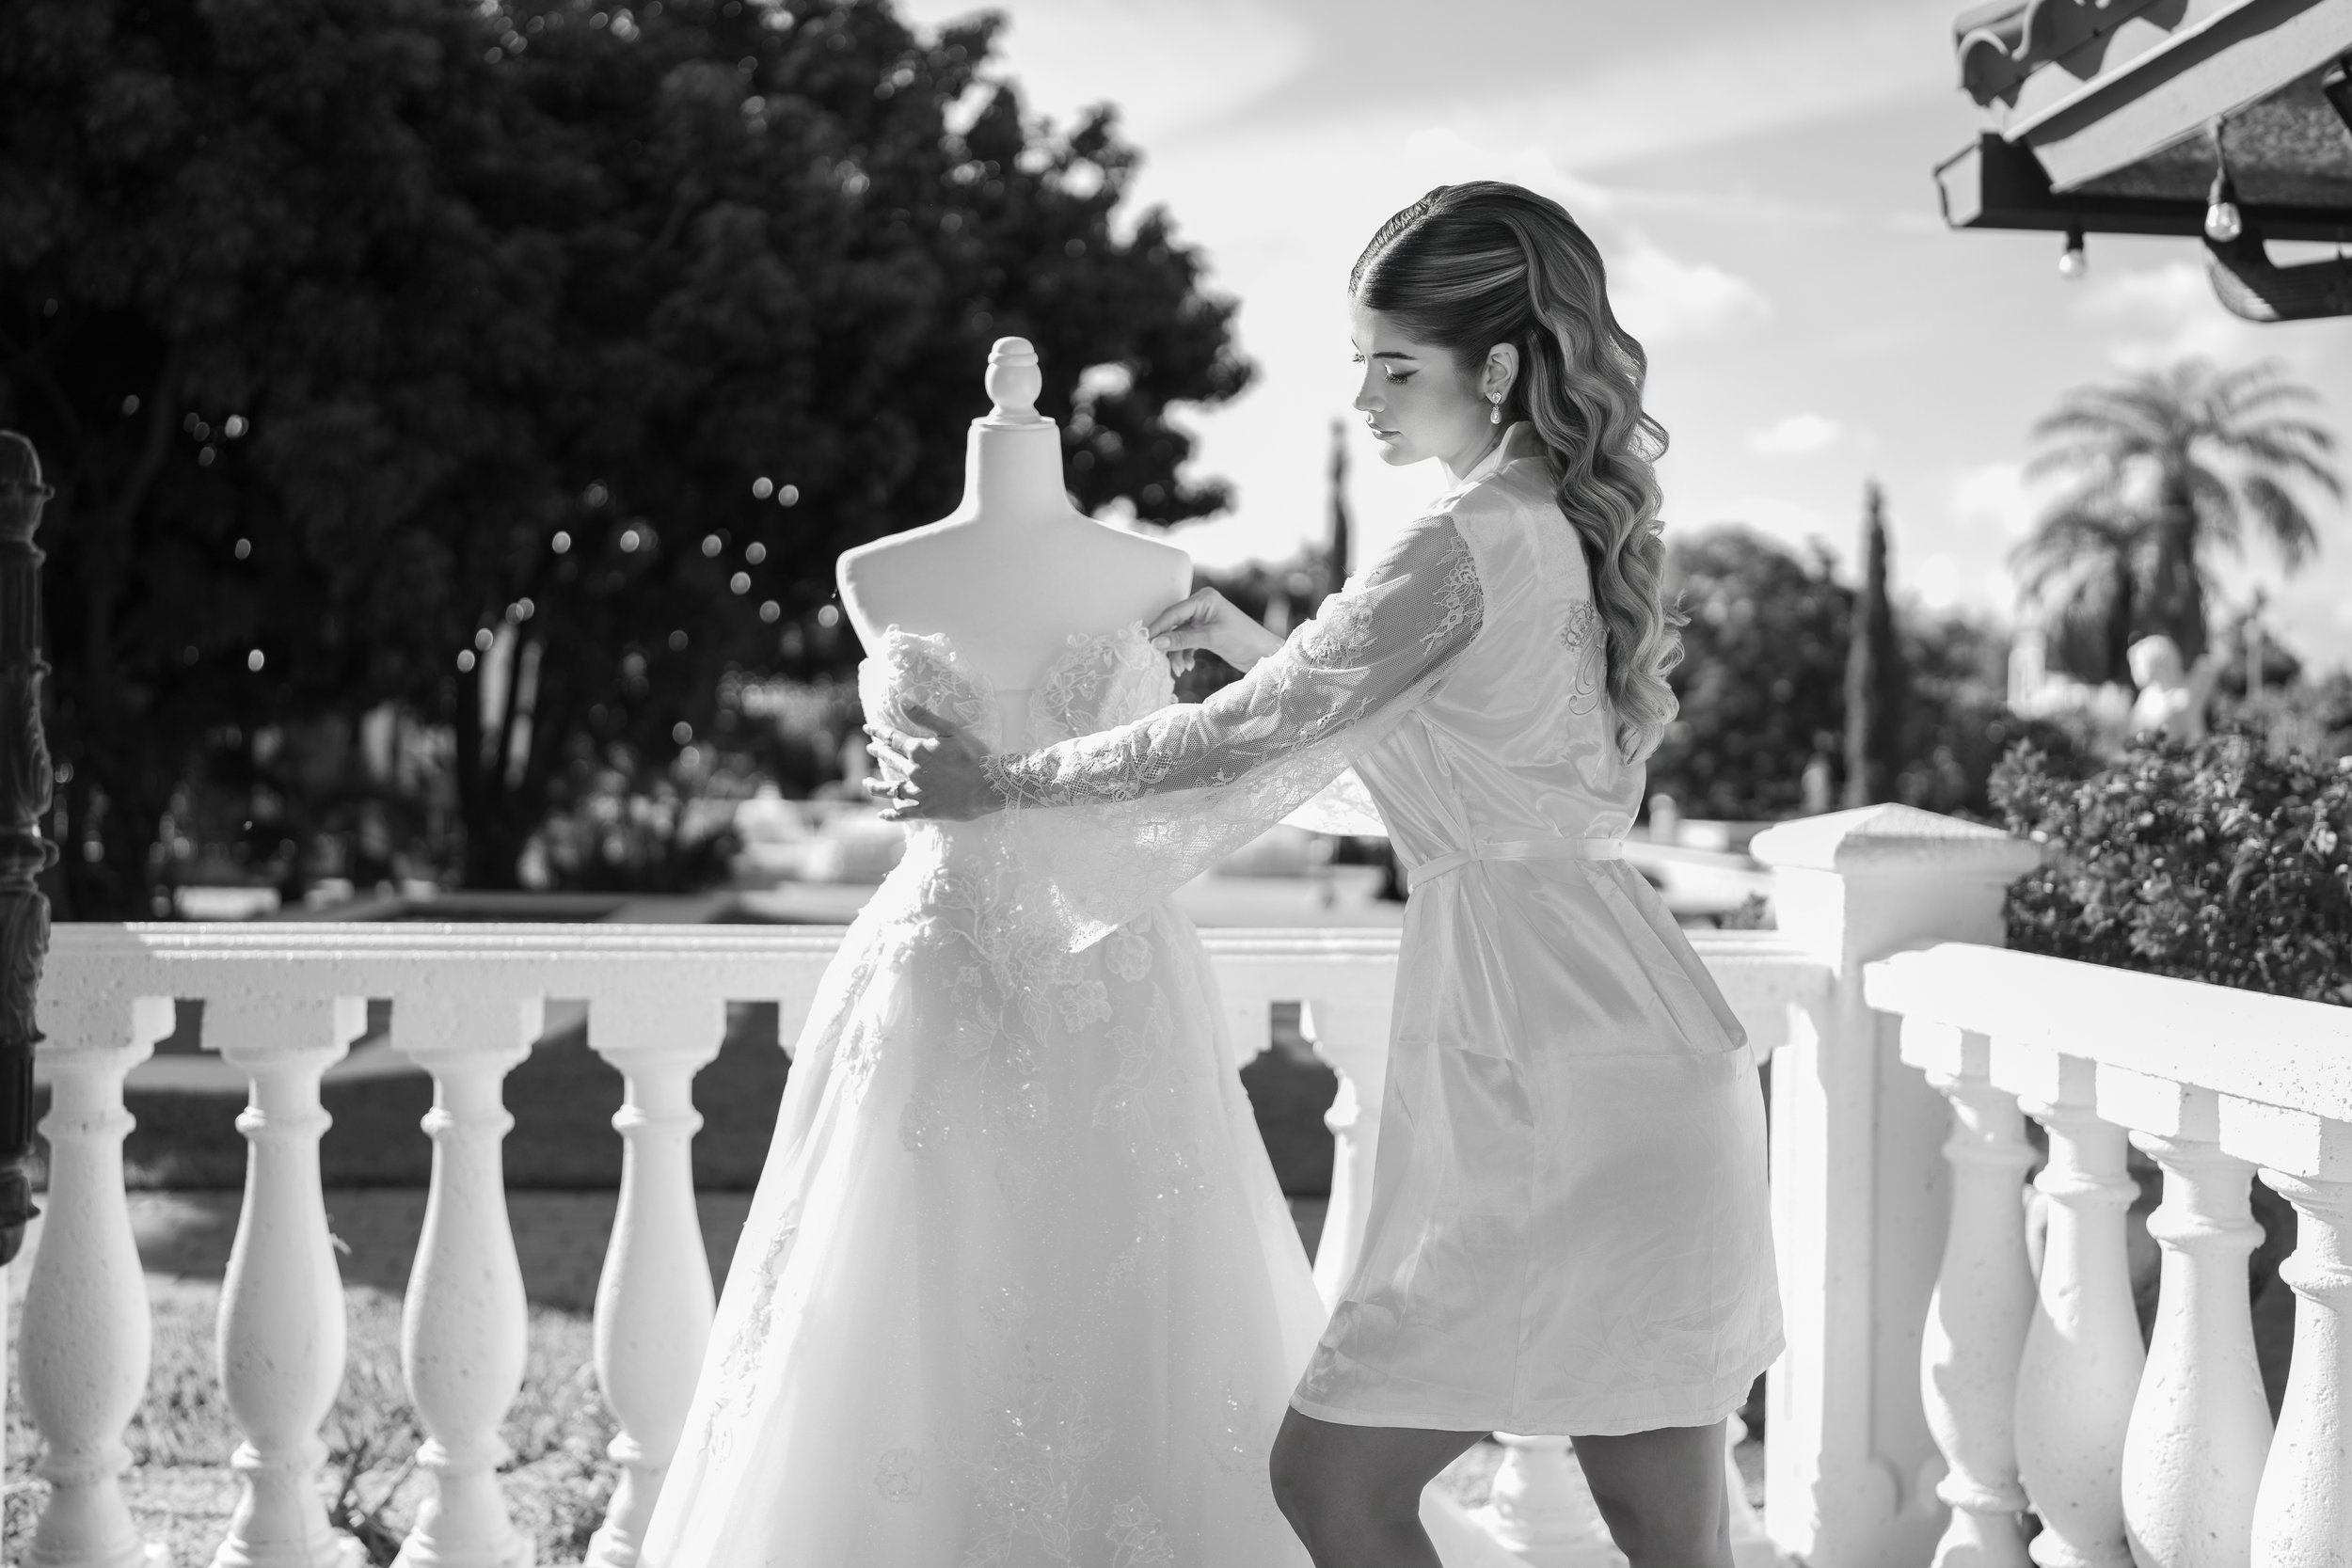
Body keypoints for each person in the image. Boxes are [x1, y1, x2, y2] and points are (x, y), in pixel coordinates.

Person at [873, 182, 1783, 1568]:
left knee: (1334, 1484)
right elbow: (1453, 797)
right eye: (1361, 359)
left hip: (1537, 1059)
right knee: (1671, 1534)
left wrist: (1011, 784)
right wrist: (1262, 646)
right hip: (1644, 1042)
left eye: (1396, 366)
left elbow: (1253, 738)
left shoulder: (1460, 536)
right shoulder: (1554, 528)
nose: (1364, 396)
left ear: (1498, 365)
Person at [635, 341, 1516, 1568]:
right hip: (933, 973)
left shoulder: (1152, 571)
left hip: (1119, 979)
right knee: (908, 1295)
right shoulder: (871, 571)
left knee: (1134, 1298)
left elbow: (1233, 765)